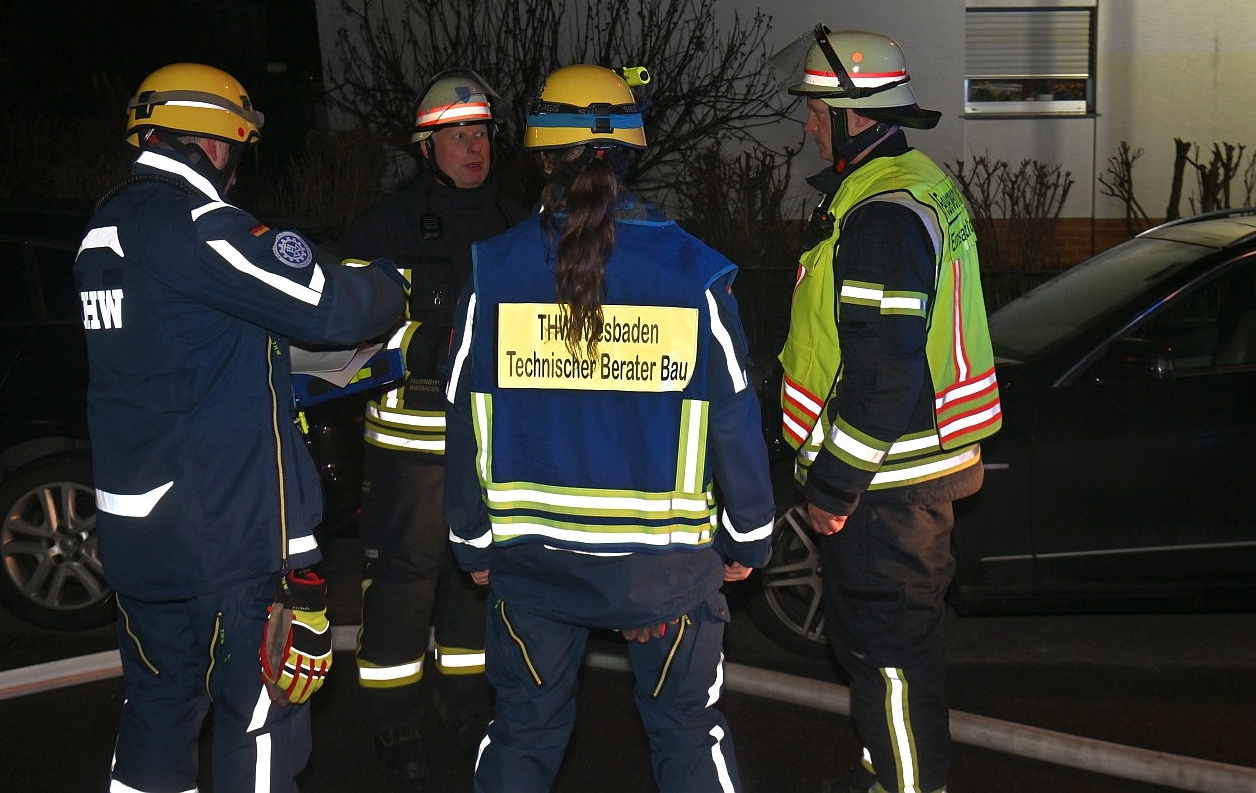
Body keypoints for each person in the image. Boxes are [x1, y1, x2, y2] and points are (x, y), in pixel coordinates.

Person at [442, 64, 775, 793]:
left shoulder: (492, 272)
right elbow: (734, 415)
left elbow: (464, 416)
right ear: (631, 155)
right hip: (665, 574)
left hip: (533, 569)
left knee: (523, 736)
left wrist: (471, 542)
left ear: (542, 157)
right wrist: (748, 537)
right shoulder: (695, 273)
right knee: (686, 736)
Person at [80, 63, 407, 793]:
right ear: (218, 142)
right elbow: (331, 305)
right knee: (261, 720)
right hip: (222, 541)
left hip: (139, 538)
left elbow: (194, 352)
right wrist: (392, 283)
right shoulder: (197, 227)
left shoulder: (103, 230)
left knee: (159, 712)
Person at [776, 29, 1001, 793]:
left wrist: (834, 487)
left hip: (884, 490)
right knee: (882, 657)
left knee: (893, 665)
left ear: (854, 116)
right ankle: (889, 773)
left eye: (817, 110)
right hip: (903, 480)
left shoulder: (880, 215)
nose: (808, 122)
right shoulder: (912, 184)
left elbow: (884, 374)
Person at [341, 68, 524, 778]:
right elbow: (345, 330)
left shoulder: (519, 225)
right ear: (426, 148)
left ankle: (465, 706)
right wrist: (428, 345)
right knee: (402, 587)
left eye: (482, 134)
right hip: (409, 447)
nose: (475, 148)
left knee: (477, 580)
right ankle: (393, 722)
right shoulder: (382, 228)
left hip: (493, 446)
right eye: (458, 137)